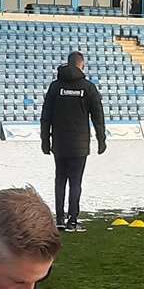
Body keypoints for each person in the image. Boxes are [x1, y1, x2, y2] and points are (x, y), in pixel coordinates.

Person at [39, 51, 106, 231]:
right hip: (79, 144)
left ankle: (59, 218)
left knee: (60, 179)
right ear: (81, 64)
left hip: (59, 143)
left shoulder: (55, 87)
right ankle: (73, 220)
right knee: (76, 182)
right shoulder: (88, 87)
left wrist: (45, 140)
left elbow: (45, 115)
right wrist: (101, 139)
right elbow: (98, 116)